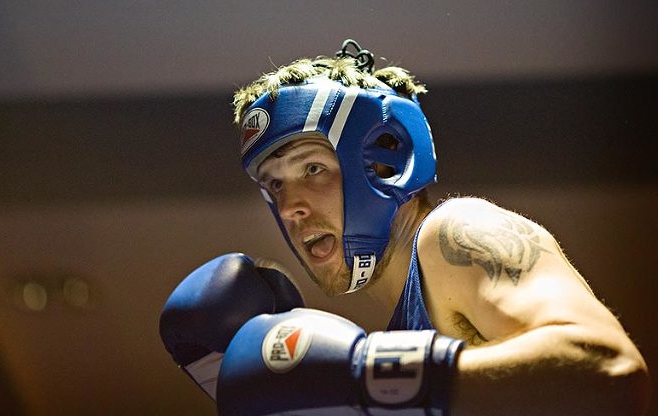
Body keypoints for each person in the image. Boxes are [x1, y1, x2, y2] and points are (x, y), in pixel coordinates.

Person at [162, 40, 650, 415]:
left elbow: (609, 368)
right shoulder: (401, 326)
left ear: (382, 161)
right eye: (275, 185)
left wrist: (367, 376)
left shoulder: (455, 233)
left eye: (312, 169)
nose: (292, 207)